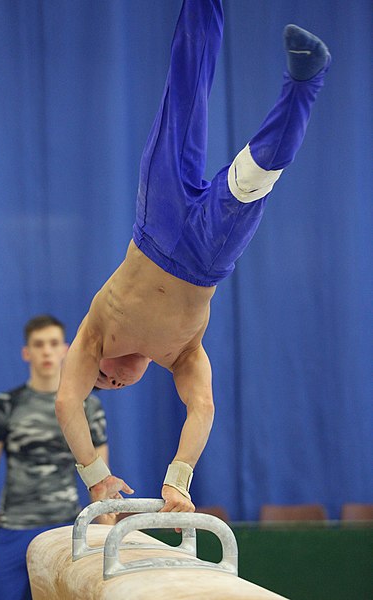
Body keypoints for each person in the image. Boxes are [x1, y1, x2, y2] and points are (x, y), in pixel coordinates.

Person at [55, 0, 331, 513]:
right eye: (113, 386)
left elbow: (67, 401)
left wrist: (95, 477)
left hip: (154, 224)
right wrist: (178, 479)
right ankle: (304, 82)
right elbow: (202, 408)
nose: (110, 381)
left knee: (183, 92)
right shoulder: (184, 357)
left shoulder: (94, 334)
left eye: (102, 378)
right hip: (207, 255)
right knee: (254, 179)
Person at [0, 315, 111, 600]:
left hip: (66, 532)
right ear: (27, 353)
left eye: (53, 344)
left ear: (66, 349)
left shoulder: (88, 406)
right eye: (39, 345)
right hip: (13, 530)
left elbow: (102, 480)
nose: (47, 351)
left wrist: (109, 540)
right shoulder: (6, 405)